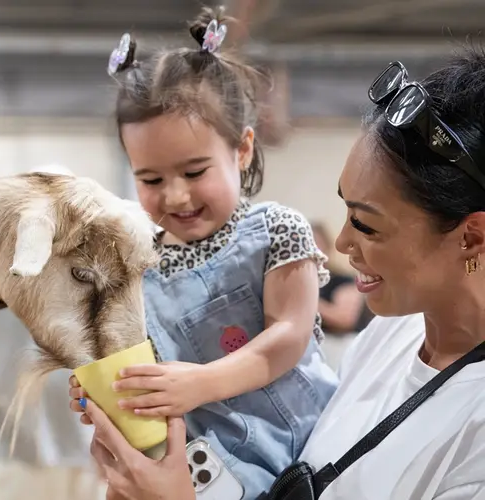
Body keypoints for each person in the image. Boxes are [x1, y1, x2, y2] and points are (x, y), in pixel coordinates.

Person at [73, 46, 485, 500]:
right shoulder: (388, 337)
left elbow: (287, 338)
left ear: (471, 236)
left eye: (366, 223)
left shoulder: (473, 436)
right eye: (151, 179)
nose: (342, 244)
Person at [70, 6, 337, 499]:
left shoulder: (276, 231)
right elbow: (139, 362)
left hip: (310, 452)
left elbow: (289, 335)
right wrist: (110, 393)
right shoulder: (137, 266)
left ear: (242, 150)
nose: (174, 196)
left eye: (194, 173)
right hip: (211, 474)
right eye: (150, 179)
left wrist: (202, 383)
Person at [310, 221, 370, 334]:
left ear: (327, 246)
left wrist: (302, 301)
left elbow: (345, 319)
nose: (310, 249)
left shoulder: (344, 281)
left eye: (315, 242)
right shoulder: (297, 282)